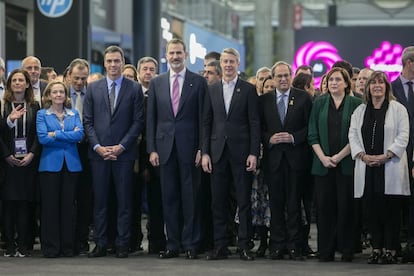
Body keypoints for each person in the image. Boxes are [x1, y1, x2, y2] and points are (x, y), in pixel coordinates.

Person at [146, 38, 207, 259]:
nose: (175, 57)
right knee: (168, 197)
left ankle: (191, 244)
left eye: (179, 53)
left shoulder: (198, 82)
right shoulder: (157, 82)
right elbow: (151, 119)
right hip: (164, 150)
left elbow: (203, 119)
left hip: (190, 150)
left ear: (186, 54)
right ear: (166, 55)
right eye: (171, 53)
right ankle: (172, 244)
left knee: (190, 198)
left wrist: (202, 148)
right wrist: (151, 149)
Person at [83, 45, 144, 258]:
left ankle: (122, 244)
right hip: (98, 155)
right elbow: (88, 122)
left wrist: (121, 146)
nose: (113, 65)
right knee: (99, 202)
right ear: (105, 63)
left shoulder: (134, 88)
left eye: (116, 61)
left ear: (122, 61)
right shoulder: (93, 88)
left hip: (124, 155)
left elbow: (138, 122)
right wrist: (98, 147)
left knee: (124, 202)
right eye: (109, 61)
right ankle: (100, 243)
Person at [202, 47, 260, 261]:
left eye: (231, 61)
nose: (227, 65)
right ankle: (220, 246)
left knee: (243, 201)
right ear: (221, 65)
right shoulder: (212, 89)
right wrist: (205, 152)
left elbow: (255, 123)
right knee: (218, 202)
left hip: (242, 153)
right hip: (217, 154)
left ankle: (244, 245)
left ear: (238, 64)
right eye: (225, 61)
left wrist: (254, 153)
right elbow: (206, 123)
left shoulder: (248, 90)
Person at [349, 71, 410, 264]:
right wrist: (364, 156)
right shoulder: (360, 111)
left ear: (386, 87)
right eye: (373, 83)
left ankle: (390, 250)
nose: (376, 86)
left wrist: (386, 156)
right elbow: (353, 135)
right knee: (372, 209)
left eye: (380, 83)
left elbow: (403, 136)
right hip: (367, 167)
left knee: (390, 211)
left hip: (390, 165)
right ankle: (376, 249)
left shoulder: (398, 109)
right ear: (367, 87)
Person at [308, 67, 362, 262]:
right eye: (331, 80)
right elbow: (312, 133)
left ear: (347, 83)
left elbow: (357, 135)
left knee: (346, 208)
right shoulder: (319, 103)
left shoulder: (356, 103)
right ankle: (326, 251)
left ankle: (347, 249)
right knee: (324, 208)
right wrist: (323, 158)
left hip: (347, 164)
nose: (334, 83)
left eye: (338, 80)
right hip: (322, 165)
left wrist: (338, 157)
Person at [260, 61, 312, 260]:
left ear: (291, 76)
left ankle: (294, 246)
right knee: (275, 204)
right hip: (273, 160)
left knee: (294, 205)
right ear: (273, 79)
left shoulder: (303, 98)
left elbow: (310, 127)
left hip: (296, 159)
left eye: (286, 75)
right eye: (279, 76)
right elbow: (259, 128)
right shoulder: (264, 100)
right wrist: (268, 139)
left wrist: (294, 137)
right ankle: (277, 245)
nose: (282, 79)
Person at [36, 80, 83, 257]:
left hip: (71, 165)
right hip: (49, 166)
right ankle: (51, 248)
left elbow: (79, 135)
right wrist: (67, 136)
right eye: (54, 92)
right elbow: (42, 138)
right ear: (48, 95)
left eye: (61, 92)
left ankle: (67, 247)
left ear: (66, 95)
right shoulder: (42, 114)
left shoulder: (74, 113)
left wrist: (55, 134)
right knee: (50, 207)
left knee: (68, 207)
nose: (58, 95)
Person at [0, 69, 40, 257]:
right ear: (9, 84)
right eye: (14, 80)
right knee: (8, 204)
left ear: (27, 84)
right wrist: (9, 120)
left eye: (21, 80)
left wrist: (32, 153)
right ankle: (9, 245)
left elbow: (38, 135)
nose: (17, 83)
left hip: (27, 162)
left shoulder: (34, 106)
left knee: (24, 204)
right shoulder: (2, 105)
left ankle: (23, 246)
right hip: (7, 162)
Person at [136, 56, 166, 254]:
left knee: (157, 201)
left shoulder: (161, 92)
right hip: (133, 156)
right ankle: (132, 241)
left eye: (152, 69)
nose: (148, 72)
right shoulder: (132, 93)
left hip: (156, 154)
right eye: (145, 69)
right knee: (132, 202)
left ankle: (157, 242)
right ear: (138, 72)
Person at [67, 58, 92, 255]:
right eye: (76, 78)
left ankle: (82, 241)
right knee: (67, 198)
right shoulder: (58, 94)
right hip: (65, 149)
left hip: (87, 151)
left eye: (83, 78)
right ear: (69, 76)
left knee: (85, 198)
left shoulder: (92, 93)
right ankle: (67, 241)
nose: (79, 82)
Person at [392, 46, 414, 261]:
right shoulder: (391, 88)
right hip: (397, 155)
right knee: (397, 201)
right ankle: (396, 243)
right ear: (409, 63)